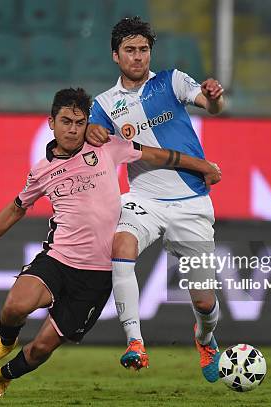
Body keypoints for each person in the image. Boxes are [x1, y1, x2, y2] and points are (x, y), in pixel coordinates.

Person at [0, 88, 221, 399]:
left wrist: (203, 166)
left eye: (79, 122)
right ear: (51, 122)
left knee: (40, 349)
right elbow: (16, 209)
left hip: (97, 275)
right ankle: (5, 342)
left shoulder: (106, 147)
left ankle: (2, 377)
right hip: (59, 259)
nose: (73, 129)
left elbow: (159, 155)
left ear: (87, 123)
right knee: (14, 307)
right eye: (66, 121)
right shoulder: (41, 171)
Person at [86, 16, 226, 382]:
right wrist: (90, 131)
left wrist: (214, 97)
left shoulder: (171, 81)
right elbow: (86, 133)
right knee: (121, 244)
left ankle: (206, 339)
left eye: (143, 50)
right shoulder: (104, 104)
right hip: (143, 198)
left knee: (204, 302)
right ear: (116, 56)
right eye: (130, 50)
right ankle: (135, 343)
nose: (138, 57)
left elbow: (211, 106)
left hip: (191, 202)